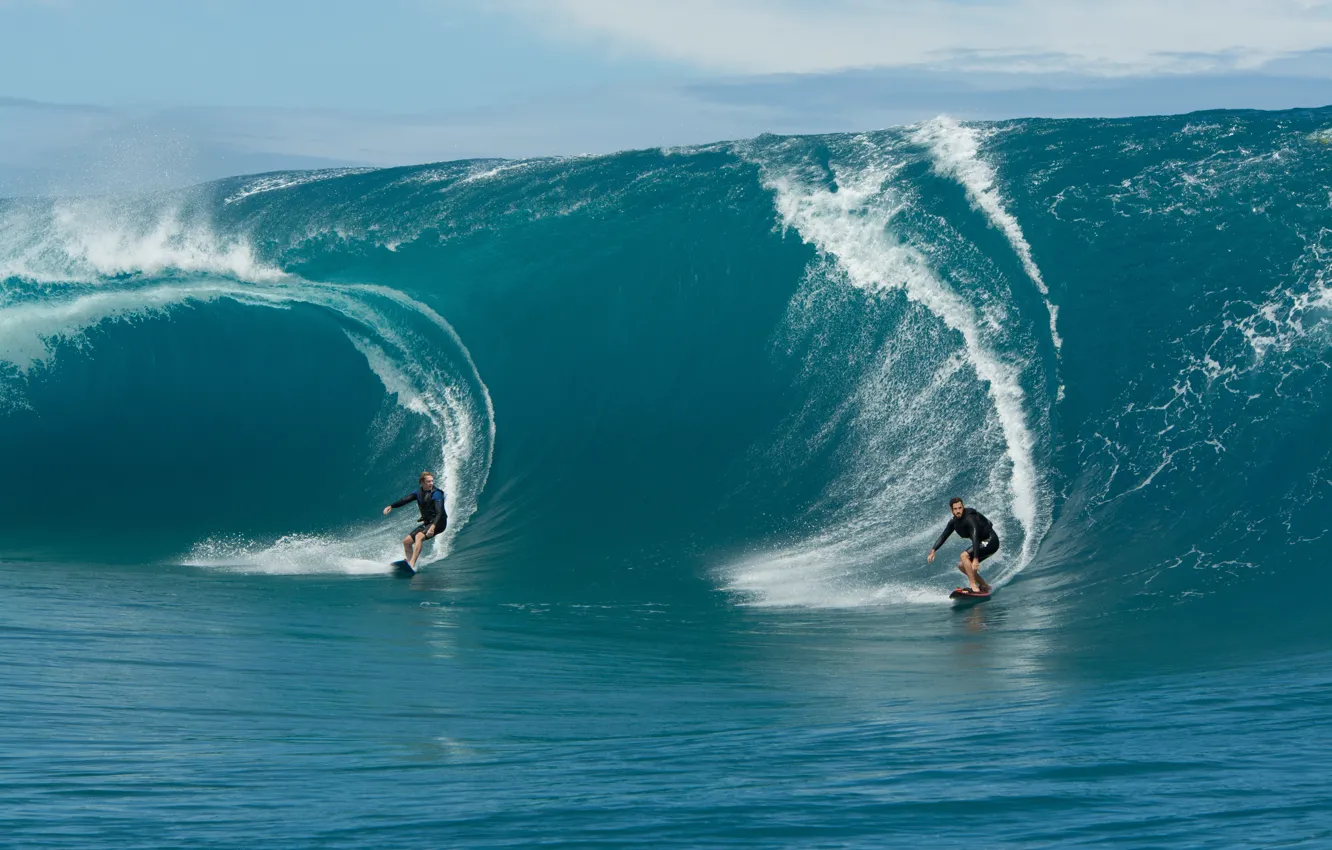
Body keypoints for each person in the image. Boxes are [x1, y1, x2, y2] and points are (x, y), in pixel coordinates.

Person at [927, 497, 998, 594]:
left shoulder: (970, 518)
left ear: (963, 507)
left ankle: (973, 585)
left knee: (964, 556)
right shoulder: (954, 522)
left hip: (991, 541)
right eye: (955, 509)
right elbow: (944, 536)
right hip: (981, 543)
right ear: (951, 510)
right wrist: (933, 550)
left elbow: (975, 537)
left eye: (960, 508)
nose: (958, 511)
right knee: (962, 565)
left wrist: (976, 558)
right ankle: (984, 585)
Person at [383, 471, 447, 569]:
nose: (431, 483)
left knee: (419, 536)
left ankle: (412, 563)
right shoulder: (418, 492)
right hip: (428, 523)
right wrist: (391, 506)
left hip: (439, 523)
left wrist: (433, 527)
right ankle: (409, 563)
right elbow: (405, 500)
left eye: (432, 481)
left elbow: (440, 512)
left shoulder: (437, 494)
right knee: (406, 542)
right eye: (428, 482)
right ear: (422, 482)